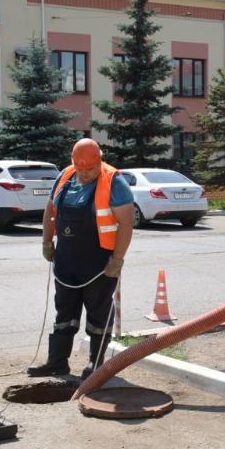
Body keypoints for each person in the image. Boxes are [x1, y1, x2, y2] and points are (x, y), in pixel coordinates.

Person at [28, 138, 134, 379]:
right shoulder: (65, 176)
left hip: (99, 264)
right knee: (64, 314)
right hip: (66, 261)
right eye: (81, 169)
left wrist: (117, 261)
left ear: (100, 161)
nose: (85, 174)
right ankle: (57, 362)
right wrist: (46, 241)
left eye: (91, 169)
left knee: (98, 315)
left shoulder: (114, 182)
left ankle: (96, 366)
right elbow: (50, 210)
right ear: (73, 163)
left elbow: (126, 224)